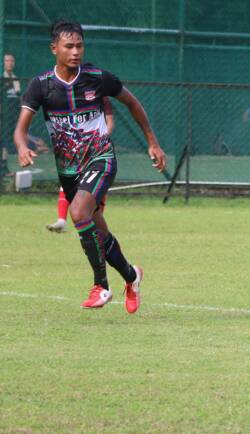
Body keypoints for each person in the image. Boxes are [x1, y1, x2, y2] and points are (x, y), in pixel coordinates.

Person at [15, 20, 167, 313]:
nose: (75, 52)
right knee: (97, 230)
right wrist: (22, 147)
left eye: (79, 46)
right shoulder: (41, 85)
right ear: (54, 48)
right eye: (69, 46)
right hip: (69, 170)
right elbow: (20, 129)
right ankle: (132, 276)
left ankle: (102, 285)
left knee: (78, 212)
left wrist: (153, 142)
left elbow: (133, 103)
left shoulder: (97, 77)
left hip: (100, 158)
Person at [47, 97, 114, 232]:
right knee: (68, 184)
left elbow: (110, 121)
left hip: (97, 152)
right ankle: (61, 220)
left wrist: (102, 138)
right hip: (76, 151)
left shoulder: (101, 96)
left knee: (98, 189)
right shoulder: (69, 99)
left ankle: (96, 222)